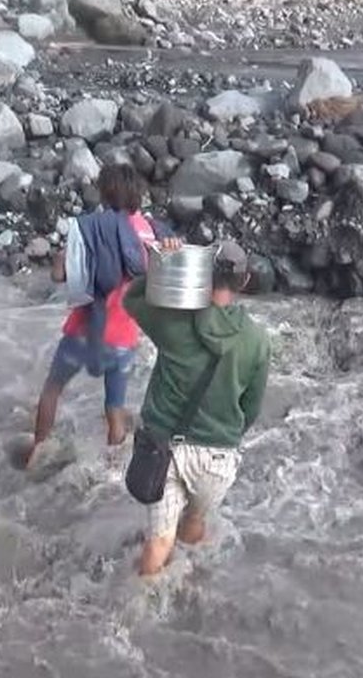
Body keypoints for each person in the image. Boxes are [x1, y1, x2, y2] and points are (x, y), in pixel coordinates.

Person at [121, 238, 270, 576]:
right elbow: (252, 407)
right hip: (216, 458)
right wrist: (223, 433)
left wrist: (164, 264)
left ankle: (136, 614)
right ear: (244, 282)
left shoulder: (173, 321)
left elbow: (130, 298)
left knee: (158, 542)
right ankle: (191, 588)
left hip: (165, 450)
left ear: (202, 271)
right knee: (196, 520)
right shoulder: (258, 340)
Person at [26, 164, 159, 468]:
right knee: (115, 409)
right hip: (123, 340)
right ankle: (111, 473)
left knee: (52, 391)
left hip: (82, 334)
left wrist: (59, 259)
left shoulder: (92, 227)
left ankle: (36, 453)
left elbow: (61, 274)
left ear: (105, 193)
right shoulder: (148, 231)